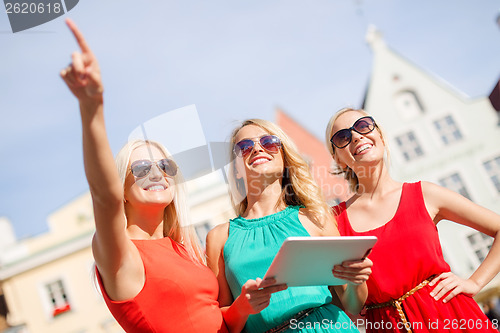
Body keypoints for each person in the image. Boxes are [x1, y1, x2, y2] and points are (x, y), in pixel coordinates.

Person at [60, 19, 285, 333]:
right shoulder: (121, 252)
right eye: (141, 169)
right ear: (122, 187)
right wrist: (91, 106)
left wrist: (242, 307)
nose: (157, 174)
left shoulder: (184, 247)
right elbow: (103, 196)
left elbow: (216, 320)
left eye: (166, 167)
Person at [326, 107, 500, 333]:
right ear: (338, 159)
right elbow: (348, 303)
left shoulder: (426, 194)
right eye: (343, 137)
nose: (356, 136)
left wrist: (474, 282)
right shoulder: (333, 222)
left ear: (380, 135)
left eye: (363, 125)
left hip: (453, 319)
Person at [206, 119, 373, 333]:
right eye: (245, 147)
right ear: (236, 170)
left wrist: (357, 281)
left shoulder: (315, 217)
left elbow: (353, 303)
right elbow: (221, 324)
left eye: (269, 142)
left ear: (284, 159)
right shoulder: (219, 238)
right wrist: (242, 308)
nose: (257, 148)